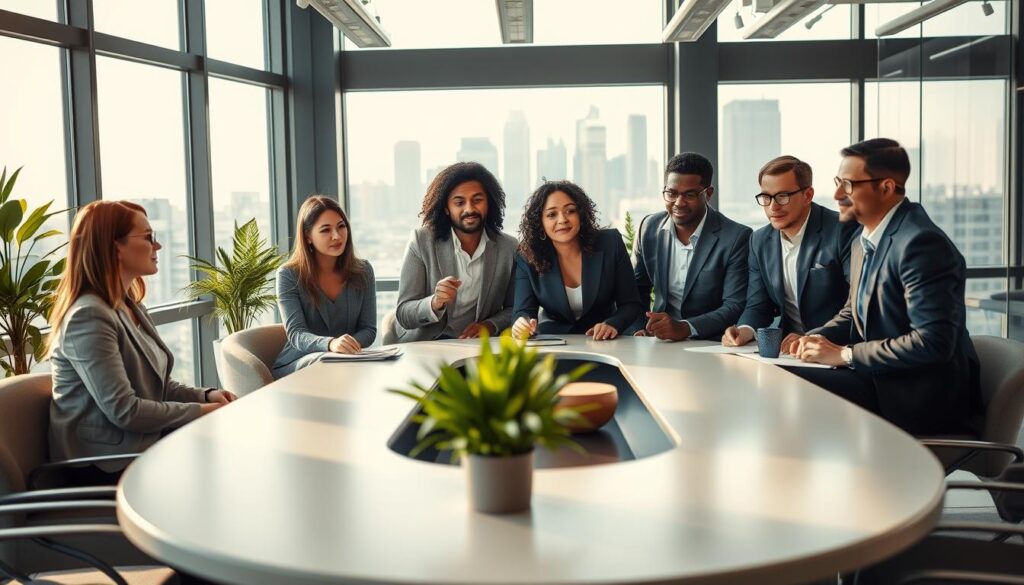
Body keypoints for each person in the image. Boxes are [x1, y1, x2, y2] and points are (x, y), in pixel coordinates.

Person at [788, 138, 981, 435]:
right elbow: (853, 312)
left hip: (918, 400)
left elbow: (933, 342)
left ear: (886, 188)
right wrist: (813, 339)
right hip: (878, 381)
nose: (837, 194)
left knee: (795, 399)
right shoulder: (863, 238)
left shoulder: (921, 244)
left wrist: (845, 354)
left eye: (849, 185)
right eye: (838, 182)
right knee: (784, 377)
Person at [48, 200, 236, 486]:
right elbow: (126, 411)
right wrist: (202, 412)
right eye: (148, 237)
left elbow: (158, 386)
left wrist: (206, 396)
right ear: (115, 247)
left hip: (141, 445)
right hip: (104, 465)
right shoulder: (88, 316)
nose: (157, 246)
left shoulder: (128, 305)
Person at [722, 155, 859, 347]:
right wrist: (744, 330)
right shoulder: (759, 240)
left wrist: (814, 337)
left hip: (838, 347)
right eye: (766, 197)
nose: (773, 206)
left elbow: (857, 306)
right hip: (789, 352)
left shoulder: (844, 230)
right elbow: (758, 305)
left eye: (782, 196)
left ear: (808, 195)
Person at [631, 152, 751, 341]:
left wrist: (685, 328)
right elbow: (636, 290)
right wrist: (639, 328)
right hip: (660, 341)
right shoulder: (649, 228)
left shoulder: (736, 237)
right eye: (671, 193)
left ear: (708, 194)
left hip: (712, 342)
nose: (679, 202)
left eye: (690, 194)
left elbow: (734, 305)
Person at [395, 162, 518, 341]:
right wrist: (434, 302)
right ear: (446, 208)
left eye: (477, 200)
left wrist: (490, 325)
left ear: (489, 203)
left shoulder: (509, 247)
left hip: (479, 348)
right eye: (459, 202)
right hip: (427, 345)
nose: (469, 209)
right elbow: (403, 313)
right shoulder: (422, 241)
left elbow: (515, 308)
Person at [511, 180, 641, 339]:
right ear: (540, 223)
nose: (562, 220)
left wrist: (613, 323)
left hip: (604, 341)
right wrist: (522, 323)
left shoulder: (610, 243)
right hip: (555, 342)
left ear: (581, 214)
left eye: (570, 211)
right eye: (552, 214)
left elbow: (630, 303)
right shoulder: (528, 256)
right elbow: (523, 311)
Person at [274, 196, 376, 377]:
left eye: (341, 226)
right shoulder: (288, 275)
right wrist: (331, 344)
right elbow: (297, 334)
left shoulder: (363, 271)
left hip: (347, 362)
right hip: (300, 363)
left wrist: (347, 346)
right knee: (327, 364)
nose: (336, 236)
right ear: (308, 237)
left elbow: (368, 330)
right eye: (325, 230)